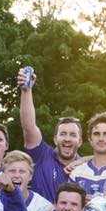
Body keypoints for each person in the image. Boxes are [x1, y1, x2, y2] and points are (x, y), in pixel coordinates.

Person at [19, 67, 84, 201]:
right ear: (55, 139)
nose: (67, 139)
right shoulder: (42, 155)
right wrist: (26, 90)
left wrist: (86, 159)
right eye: (63, 134)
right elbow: (29, 127)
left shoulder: (87, 167)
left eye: (73, 135)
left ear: (80, 141)